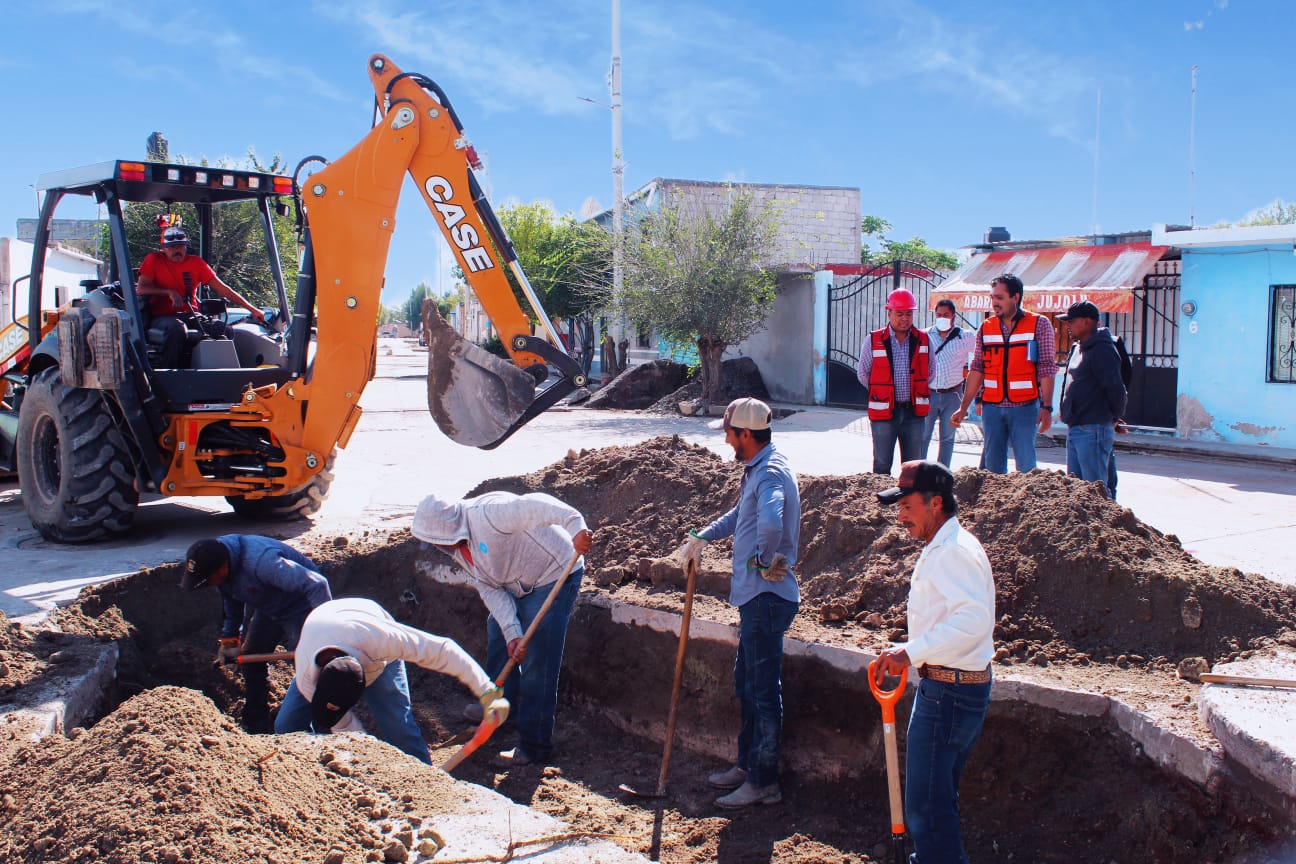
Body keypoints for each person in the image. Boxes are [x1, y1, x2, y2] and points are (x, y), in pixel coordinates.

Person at [411, 490, 594, 768]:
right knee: (498, 634)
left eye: (435, 542)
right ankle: (500, 709)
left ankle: (535, 746)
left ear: (446, 532)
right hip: (514, 581)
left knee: (537, 657)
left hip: (554, 573)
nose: (437, 549)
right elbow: (489, 587)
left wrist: (576, 527)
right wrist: (512, 632)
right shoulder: (459, 546)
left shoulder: (490, 514)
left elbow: (537, 505)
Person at [678, 397, 800, 809]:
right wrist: (703, 536)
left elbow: (770, 520)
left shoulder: (769, 473)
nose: (727, 440)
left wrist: (764, 560)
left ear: (746, 434)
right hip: (756, 599)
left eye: (729, 433)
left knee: (763, 692)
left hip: (767, 598)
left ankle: (764, 780)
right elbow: (741, 516)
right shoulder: (758, 468)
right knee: (747, 685)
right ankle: (749, 765)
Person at [875, 460, 995, 864]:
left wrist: (910, 652)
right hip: (953, 687)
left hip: (949, 693)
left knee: (926, 808)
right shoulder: (947, 545)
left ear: (936, 503)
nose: (900, 516)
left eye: (907, 506)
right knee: (937, 799)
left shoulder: (953, 553)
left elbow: (973, 621)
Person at [274, 597, 509, 764]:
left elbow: (443, 650)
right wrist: (365, 763)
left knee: (398, 725)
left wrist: (487, 691)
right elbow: (345, 727)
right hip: (326, 627)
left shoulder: (380, 639)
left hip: (369, 628)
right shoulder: (307, 677)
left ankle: (425, 782)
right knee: (286, 727)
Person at [182, 535, 332, 733]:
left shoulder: (263, 563)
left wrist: (326, 632)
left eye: (208, 581)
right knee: (251, 656)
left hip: (300, 604)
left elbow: (317, 585)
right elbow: (231, 599)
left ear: (222, 568)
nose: (209, 585)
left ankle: (318, 723)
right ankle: (256, 721)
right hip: (270, 605)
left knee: (309, 665)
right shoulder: (218, 560)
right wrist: (230, 640)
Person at [950, 273, 1057, 474]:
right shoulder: (986, 327)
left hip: (1025, 407)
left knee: (1026, 467)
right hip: (992, 408)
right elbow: (977, 368)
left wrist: (1047, 407)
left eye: (999, 297)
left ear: (1015, 297)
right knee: (992, 469)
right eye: (992, 298)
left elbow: (1046, 367)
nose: (994, 303)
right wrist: (964, 407)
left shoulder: (1039, 324)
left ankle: (1026, 504)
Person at [136, 225, 265, 367]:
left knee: (224, 329)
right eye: (172, 247)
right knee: (176, 330)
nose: (176, 250)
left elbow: (222, 289)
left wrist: (252, 309)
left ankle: (224, 376)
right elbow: (141, 289)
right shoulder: (153, 260)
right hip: (163, 317)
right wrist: (169, 292)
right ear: (163, 248)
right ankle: (169, 376)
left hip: (191, 315)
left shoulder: (196, 263)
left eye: (180, 246)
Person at [856, 288, 932, 475]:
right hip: (884, 414)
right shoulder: (873, 340)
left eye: (908, 313)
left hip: (914, 413)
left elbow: (931, 372)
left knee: (913, 468)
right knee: (881, 466)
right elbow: (863, 374)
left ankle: (910, 503)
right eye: (900, 314)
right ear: (888, 312)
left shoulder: (923, 339)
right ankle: (882, 503)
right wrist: (882, 392)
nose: (905, 318)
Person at [1057, 301, 1127, 498]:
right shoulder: (1078, 348)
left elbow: (1116, 389)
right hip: (1076, 427)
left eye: (1071, 321)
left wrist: (1113, 418)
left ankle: (1106, 528)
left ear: (1087, 322)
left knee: (1095, 493)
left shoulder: (1102, 350)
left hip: (1093, 428)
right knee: (1078, 491)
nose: (1067, 326)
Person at [922, 299, 977, 467]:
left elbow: (981, 356)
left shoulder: (965, 336)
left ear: (953, 316)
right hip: (929, 393)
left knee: (947, 437)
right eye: (938, 315)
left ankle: (942, 472)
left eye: (946, 315)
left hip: (953, 394)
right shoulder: (924, 335)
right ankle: (919, 472)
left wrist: (969, 368)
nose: (942, 318)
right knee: (923, 436)